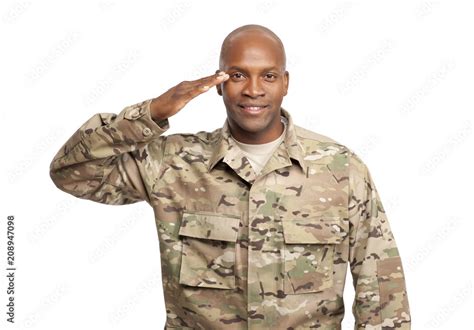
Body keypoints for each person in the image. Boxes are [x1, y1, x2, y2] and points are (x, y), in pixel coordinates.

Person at [49, 24, 411, 329]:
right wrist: (151, 113)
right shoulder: (172, 162)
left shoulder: (341, 169)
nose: (253, 89)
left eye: (268, 75)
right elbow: (71, 172)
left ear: (285, 83)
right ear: (219, 83)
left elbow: (380, 287)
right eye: (238, 75)